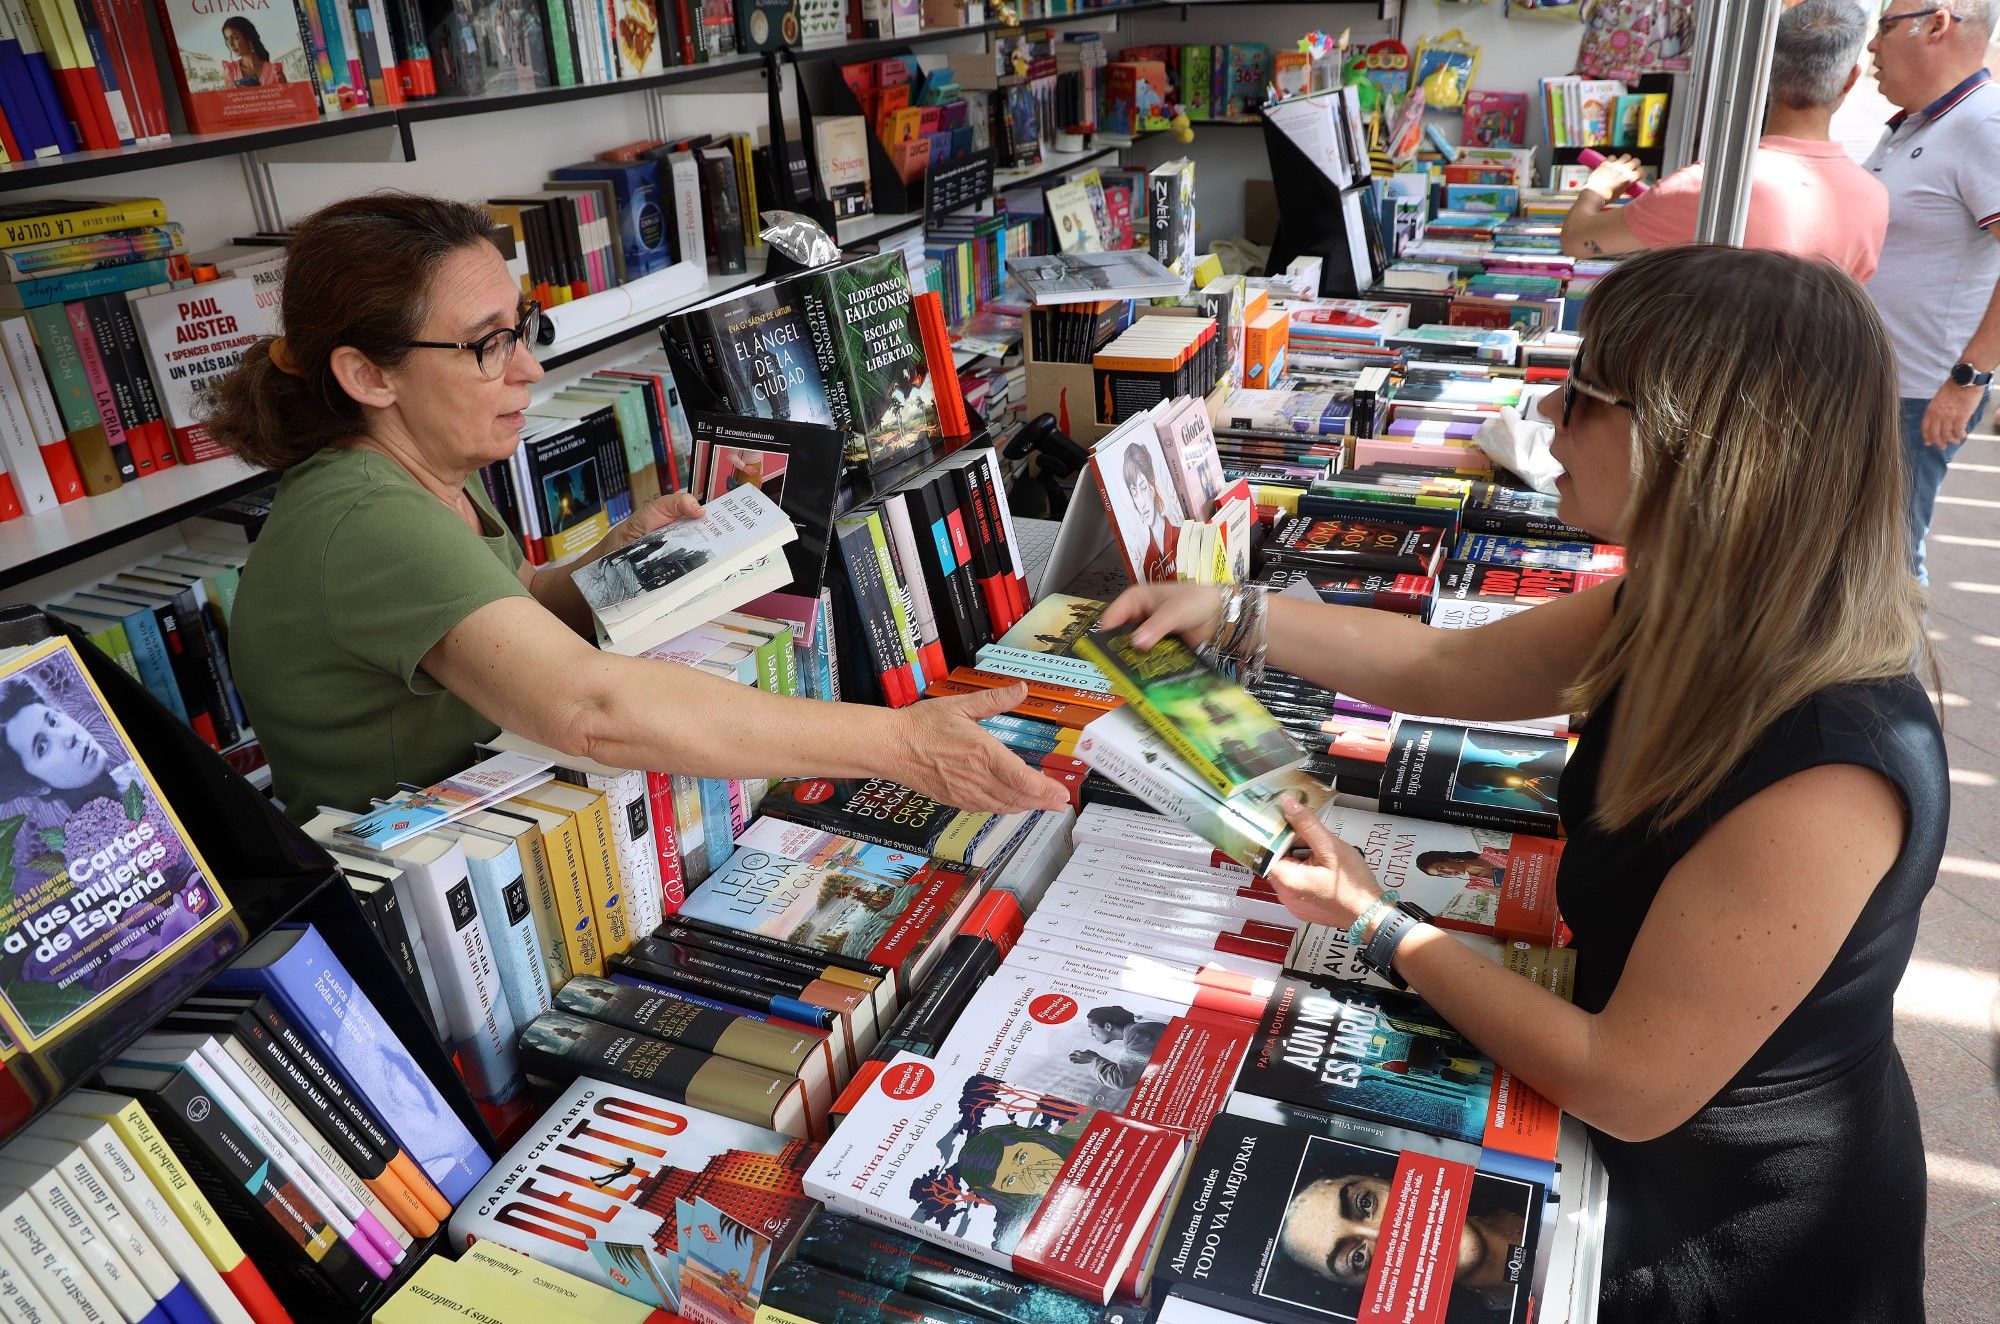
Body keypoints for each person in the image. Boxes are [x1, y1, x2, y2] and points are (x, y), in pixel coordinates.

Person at [1101, 245, 1942, 1321]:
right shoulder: (1691, 599)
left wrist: (1374, 922)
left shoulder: (1829, 759)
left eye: (1585, 391)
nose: (1544, 412)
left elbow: (1626, 1082)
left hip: (1725, 1228)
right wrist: (1229, 614)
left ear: (1697, 442)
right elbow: (1445, 665)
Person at [205, 193, 1068, 825]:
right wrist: (902, 746)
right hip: (435, 889)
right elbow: (593, 713)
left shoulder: (420, 461)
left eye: (521, 327)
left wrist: (607, 562)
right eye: (485, 345)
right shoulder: (367, 519)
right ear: (367, 375)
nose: (528, 371)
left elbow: (498, 608)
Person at [1560, 0, 1888, 281]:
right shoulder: (1873, 199)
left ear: (1767, 69)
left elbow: (1578, 240)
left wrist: (1597, 189)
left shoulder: (1704, 186)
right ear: (1850, 80)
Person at [1863, 0, 2000, 583]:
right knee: (1864, 557)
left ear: (1937, 24)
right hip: (1884, 385)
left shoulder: (1982, 124)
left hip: (1920, 394)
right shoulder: (1921, 124)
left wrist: (1968, 380)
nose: (1871, 46)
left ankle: (1894, 679)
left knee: (1887, 562)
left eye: (1885, 27)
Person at [221, 17, 284, 88]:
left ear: (248, 37)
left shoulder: (275, 72)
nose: (231, 44)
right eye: (227, 39)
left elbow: (288, 98)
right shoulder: (231, 72)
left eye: (235, 37)